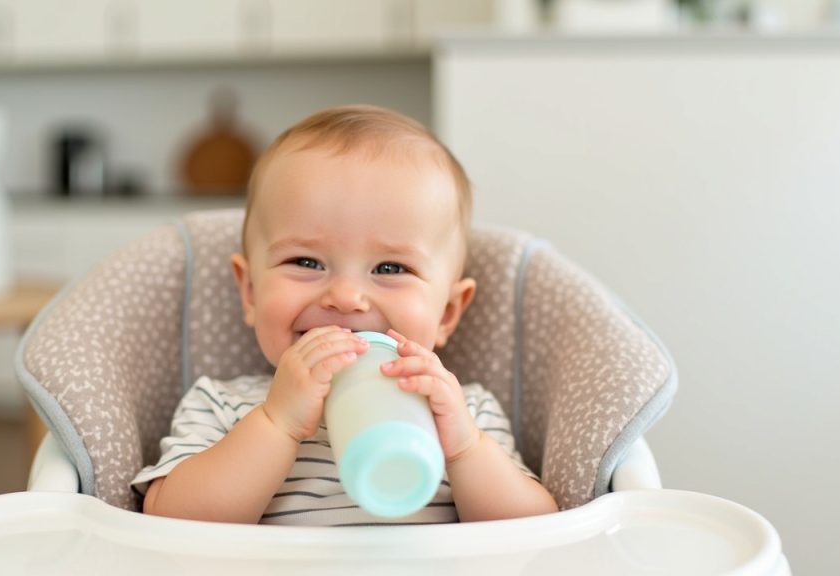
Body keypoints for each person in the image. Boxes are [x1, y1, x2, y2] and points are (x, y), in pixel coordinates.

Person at [132, 105, 559, 525]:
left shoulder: (464, 412)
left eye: (390, 268)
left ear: (447, 312)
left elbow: (536, 528)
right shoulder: (223, 405)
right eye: (306, 261)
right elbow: (169, 516)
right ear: (250, 292)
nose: (346, 298)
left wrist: (464, 449)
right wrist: (276, 422)